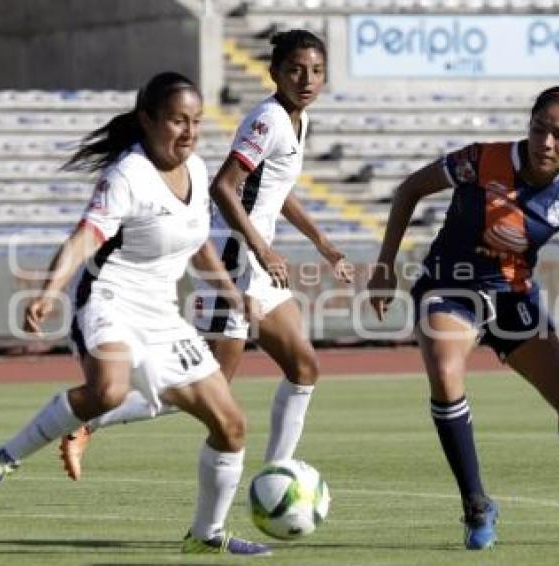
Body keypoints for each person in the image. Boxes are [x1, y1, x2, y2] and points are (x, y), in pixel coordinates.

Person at [0, 72, 271, 556]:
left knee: (231, 426)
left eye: (196, 121)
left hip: (163, 316)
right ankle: (4, 457)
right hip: (109, 300)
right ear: (148, 120)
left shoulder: (197, 169)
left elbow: (199, 249)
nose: (189, 132)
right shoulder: (127, 175)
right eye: (177, 121)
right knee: (108, 390)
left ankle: (206, 536)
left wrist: (233, 296)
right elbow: (84, 237)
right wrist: (48, 292)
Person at [366, 86, 559, 550]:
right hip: (451, 284)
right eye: (538, 128)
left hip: (514, 299)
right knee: (446, 375)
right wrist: (384, 269)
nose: (545, 141)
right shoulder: (480, 159)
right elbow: (409, 189)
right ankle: (476, 505)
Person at [58, 29, 353, 481]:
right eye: (295, 70)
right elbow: (223, 186)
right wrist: (261, 247)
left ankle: (277, 475)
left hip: (257, 265)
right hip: (235, 262)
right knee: (205, 387)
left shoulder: (299, 121)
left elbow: (277, 190)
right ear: (274, 73)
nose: (306, 79)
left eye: (316, 71)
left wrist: (324, 244)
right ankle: (90, 421)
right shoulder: (268, 120)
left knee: (304, 367)